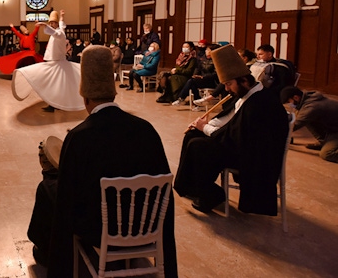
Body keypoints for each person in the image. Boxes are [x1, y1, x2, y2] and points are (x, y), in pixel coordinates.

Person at [27, 46, 176, 277]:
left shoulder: (79, 136)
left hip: (100, 229)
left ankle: (46, 253)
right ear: (113, 93)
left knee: (48, 187)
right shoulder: (146, 129)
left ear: (84, 97)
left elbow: (69, 197)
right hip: (144, 225)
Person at [174, 44, 289, 215]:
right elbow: (230, 120)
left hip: (253, 156)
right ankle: (193, 187)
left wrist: (205, 128)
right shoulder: (246, 93)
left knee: (198, 146)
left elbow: (235, 137)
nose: (226, 89)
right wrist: (206, 126)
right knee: (192, 134)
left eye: (228, 84)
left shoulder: (259, 104)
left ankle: (212, 195)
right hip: (239, 142)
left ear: (243, 81)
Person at [12, 10, 84, 112]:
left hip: (58, 64)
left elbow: (55, 32)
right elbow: (62, 25)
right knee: (55, 85)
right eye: (50, 23)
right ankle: (54, 104)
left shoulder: (60, 34)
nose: (51, 24)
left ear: (55, 24)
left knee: (56, 86)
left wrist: (44, 25)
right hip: (53, 62)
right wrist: (62, 16)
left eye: (52, 23)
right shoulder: (60, 30)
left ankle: (54, 105)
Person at [280, 86, 338, 163]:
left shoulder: (311, 107)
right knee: (308, 121)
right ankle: (325, 142)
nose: (289, 105)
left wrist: (274, 135)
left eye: (288, 102)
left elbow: (293, 125)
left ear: (296, 97)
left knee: (327, 154)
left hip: (335, 130)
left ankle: (330, 145)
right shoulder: (308, 99)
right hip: (332, 127)